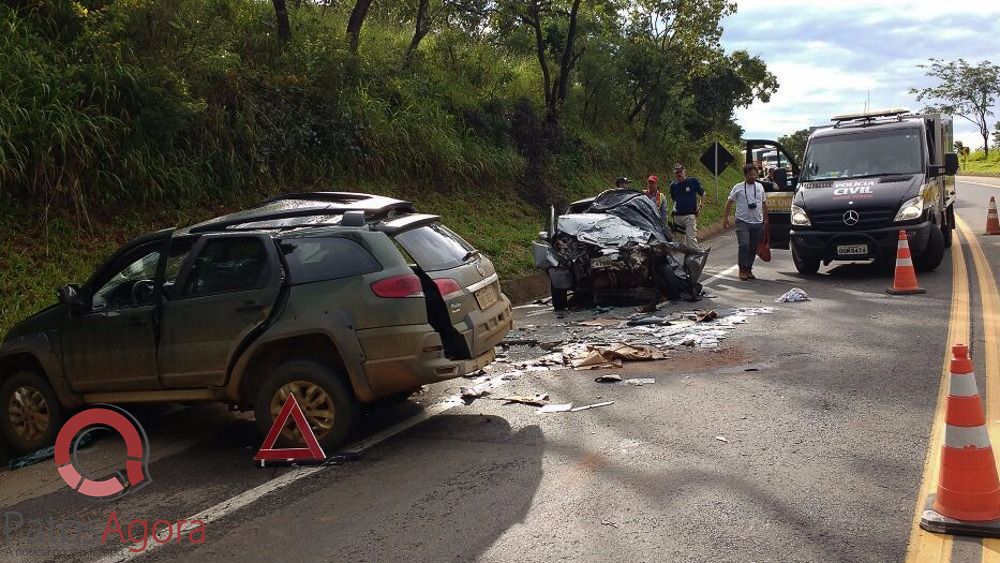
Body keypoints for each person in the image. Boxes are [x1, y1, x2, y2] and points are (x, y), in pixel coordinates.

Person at [723, 163, 769, 281]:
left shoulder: (760, 187)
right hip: (742, 221)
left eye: (755, 174)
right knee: (744, 245)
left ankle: (749, 268)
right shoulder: (738, 187)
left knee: (753, 247)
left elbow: (763, 204)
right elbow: (729, 203)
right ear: (745, 175)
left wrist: (766, 220)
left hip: (757, 222)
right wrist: (726, 219)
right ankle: (742, 269)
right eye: (751, 174)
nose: (754, 177)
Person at [668, 163, 704, 249]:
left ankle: (695, 261)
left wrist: (700, 205)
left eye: (680, 172)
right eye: (677, 173)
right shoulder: (673, 185)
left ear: (684, 171)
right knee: (679, 241)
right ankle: (681, 261)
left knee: (690, 239)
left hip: (690, 215)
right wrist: (674, 208)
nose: (679, 174)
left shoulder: (693, 181)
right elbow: (673, 199)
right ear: (675, 174)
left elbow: (703, 194)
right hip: (677, 217)